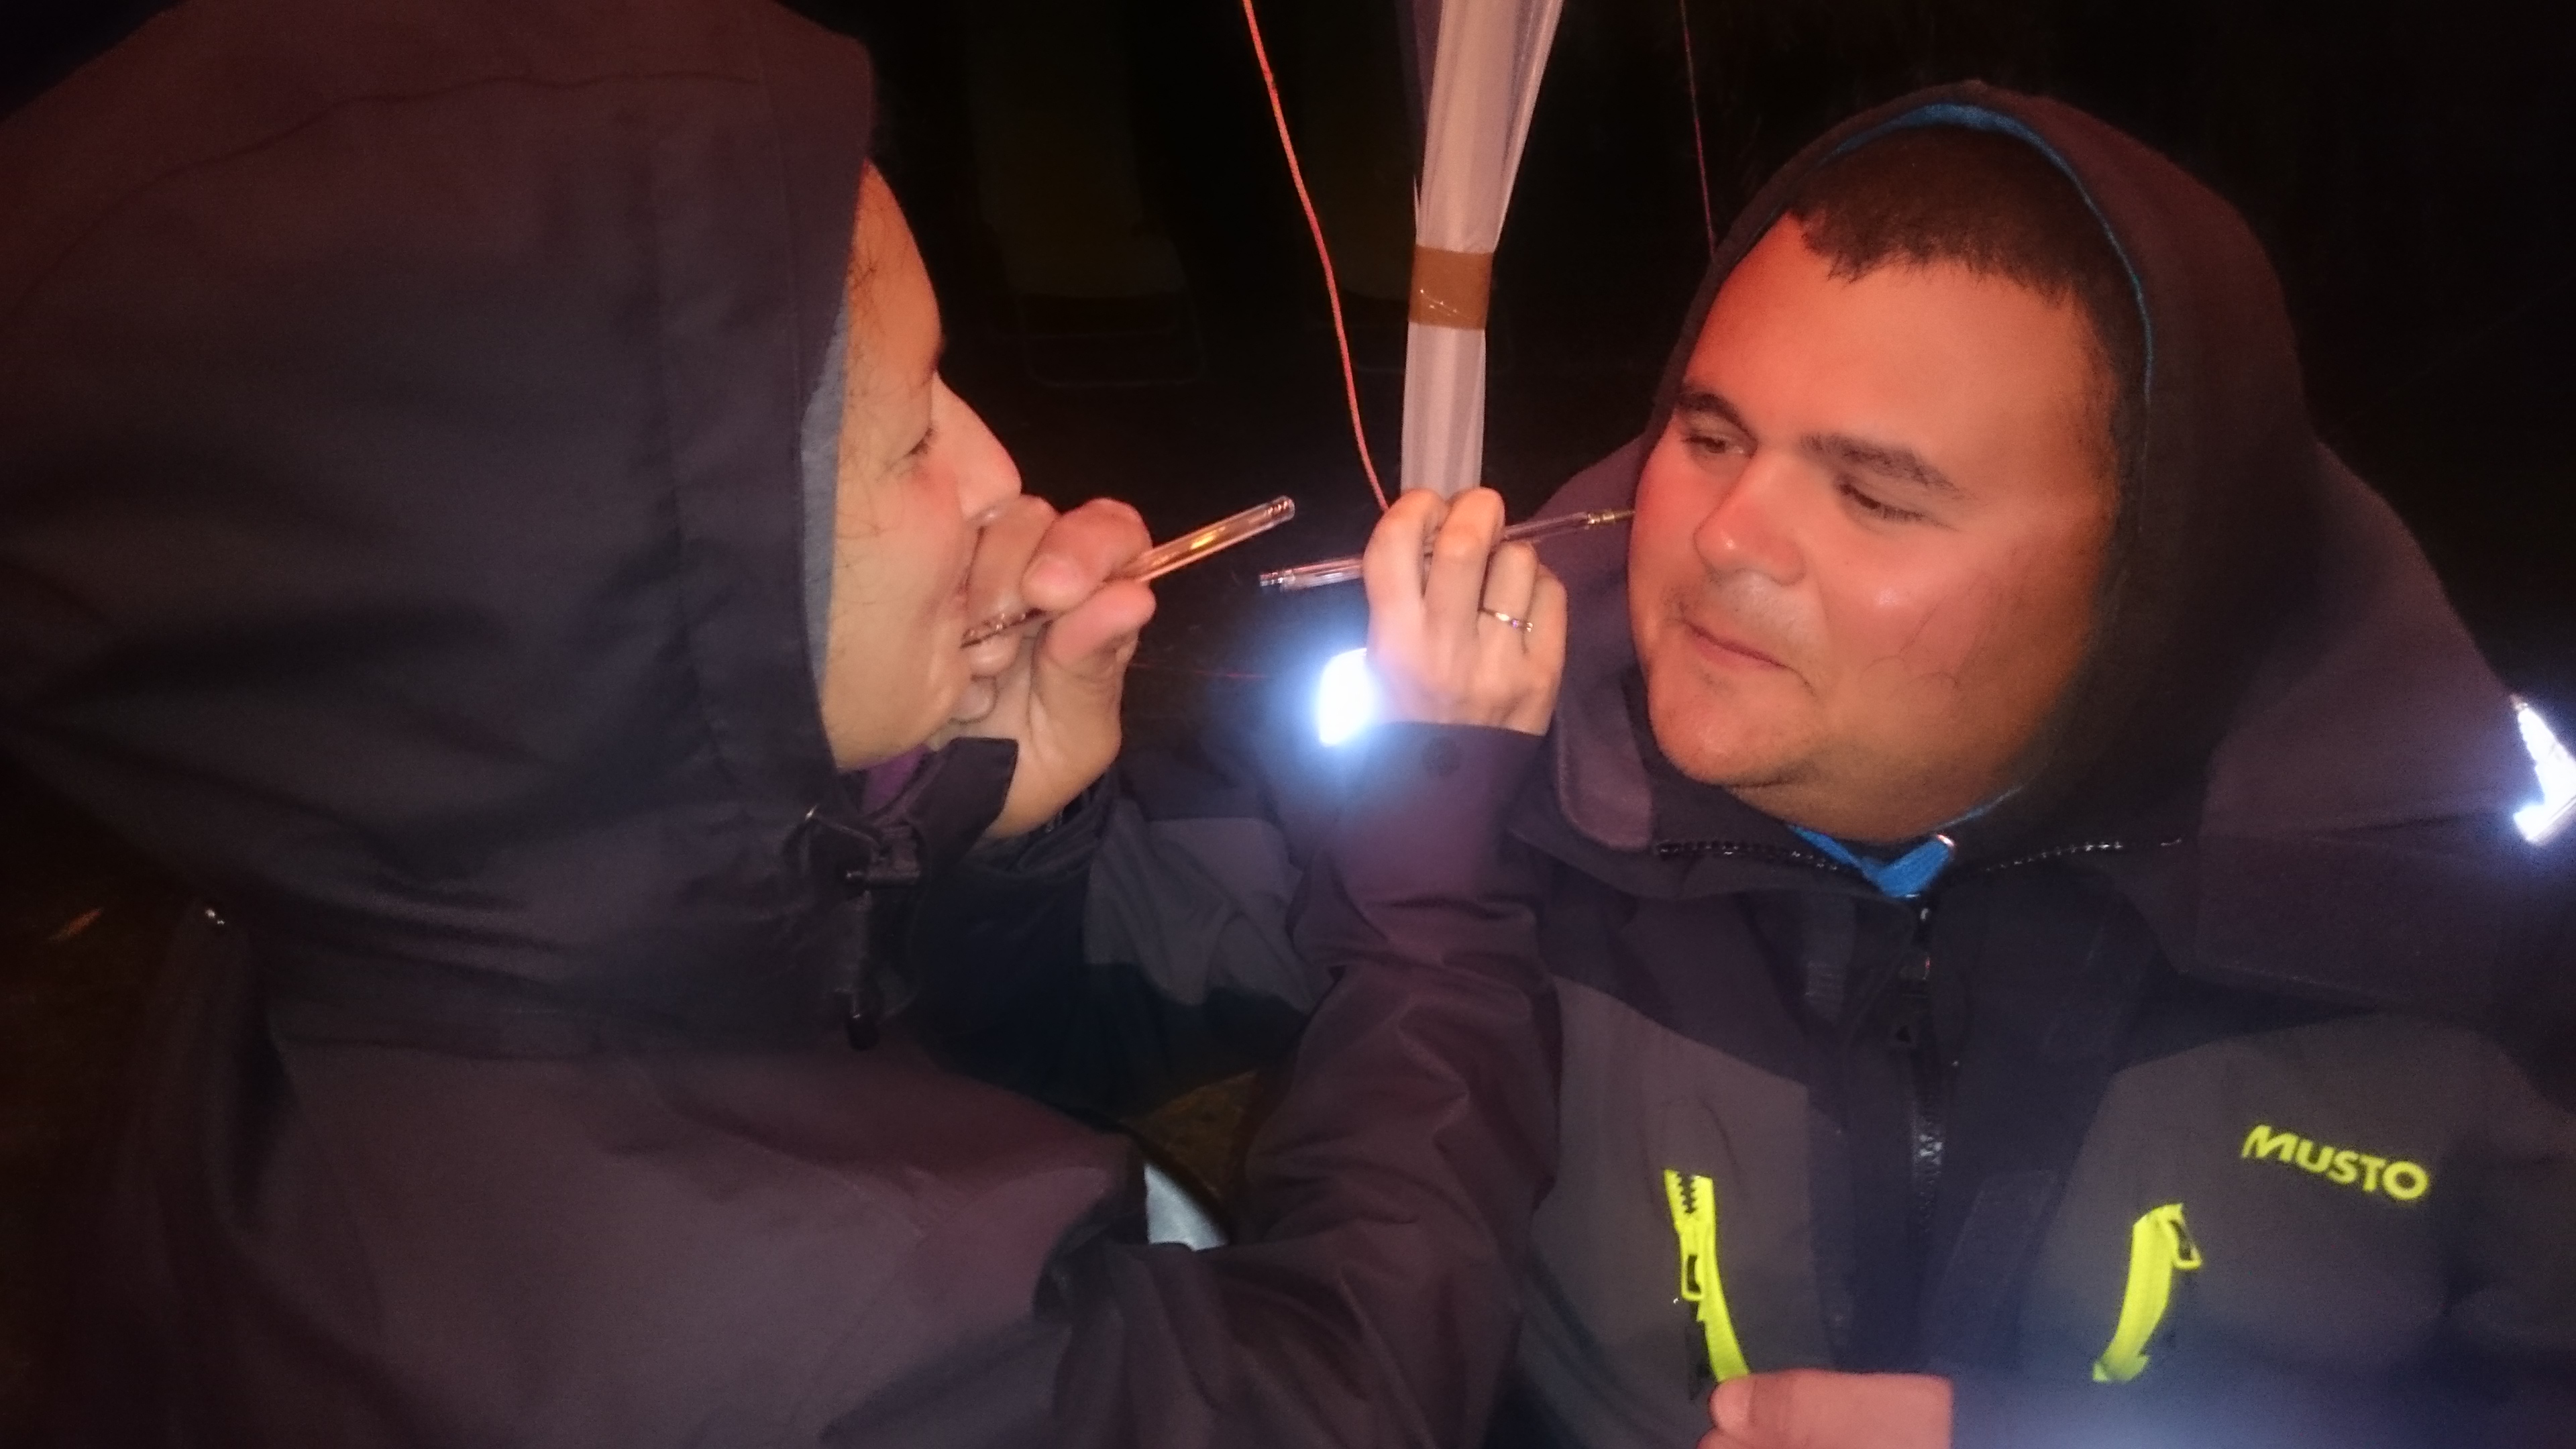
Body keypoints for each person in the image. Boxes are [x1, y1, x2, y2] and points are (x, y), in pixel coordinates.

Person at [0, 0, 1575, 1442]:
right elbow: (1331, 1405)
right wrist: (1435, 895)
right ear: (613, 585)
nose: (1000, 478)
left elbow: (803, 1034)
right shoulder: (805, 1342)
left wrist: (960, 820)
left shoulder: (374, 934)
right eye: (912, 437)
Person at [916, 86, 2576, 1448]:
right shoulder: (1478, 758)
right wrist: (1002, 812)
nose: (1722, 538)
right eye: (1709, 435)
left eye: (1876, 493)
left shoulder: (2453, 929)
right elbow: (1005, 1037)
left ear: (2161, 573)